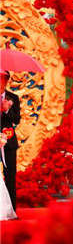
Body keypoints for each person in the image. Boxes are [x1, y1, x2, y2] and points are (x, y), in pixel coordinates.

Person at [0, 72, 20, 211]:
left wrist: (7, 110)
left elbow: (17, 119)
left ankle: (12, 211)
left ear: (6, 80)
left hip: (9, 142)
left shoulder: (13, 97)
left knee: (10, 178)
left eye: (1, 78)